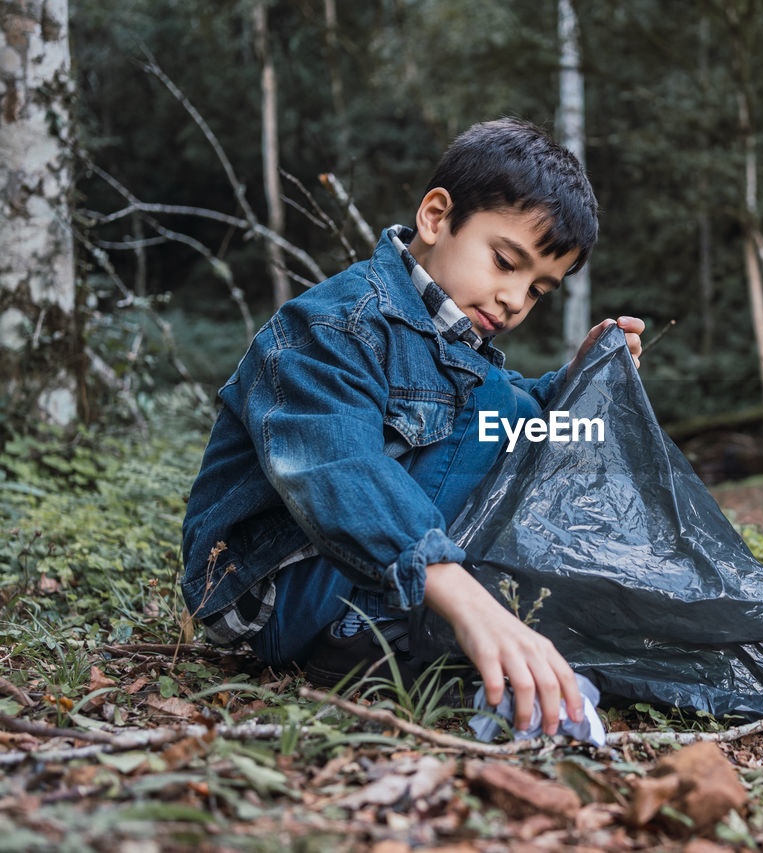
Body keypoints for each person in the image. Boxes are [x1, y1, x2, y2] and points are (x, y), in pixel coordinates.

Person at [181, 118, 644, 736]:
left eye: (537, 290)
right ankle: (370, 628)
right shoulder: (335, 325)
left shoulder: (453, 339)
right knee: (495, 418)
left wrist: (576, 384)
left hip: (354, 567)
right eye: (506, 262)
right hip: (279, 585)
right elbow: (336, 465)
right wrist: (462, 595)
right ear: (435, 217)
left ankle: (436, 612)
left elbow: (508, 410)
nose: (513, 299)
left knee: (526, 420)